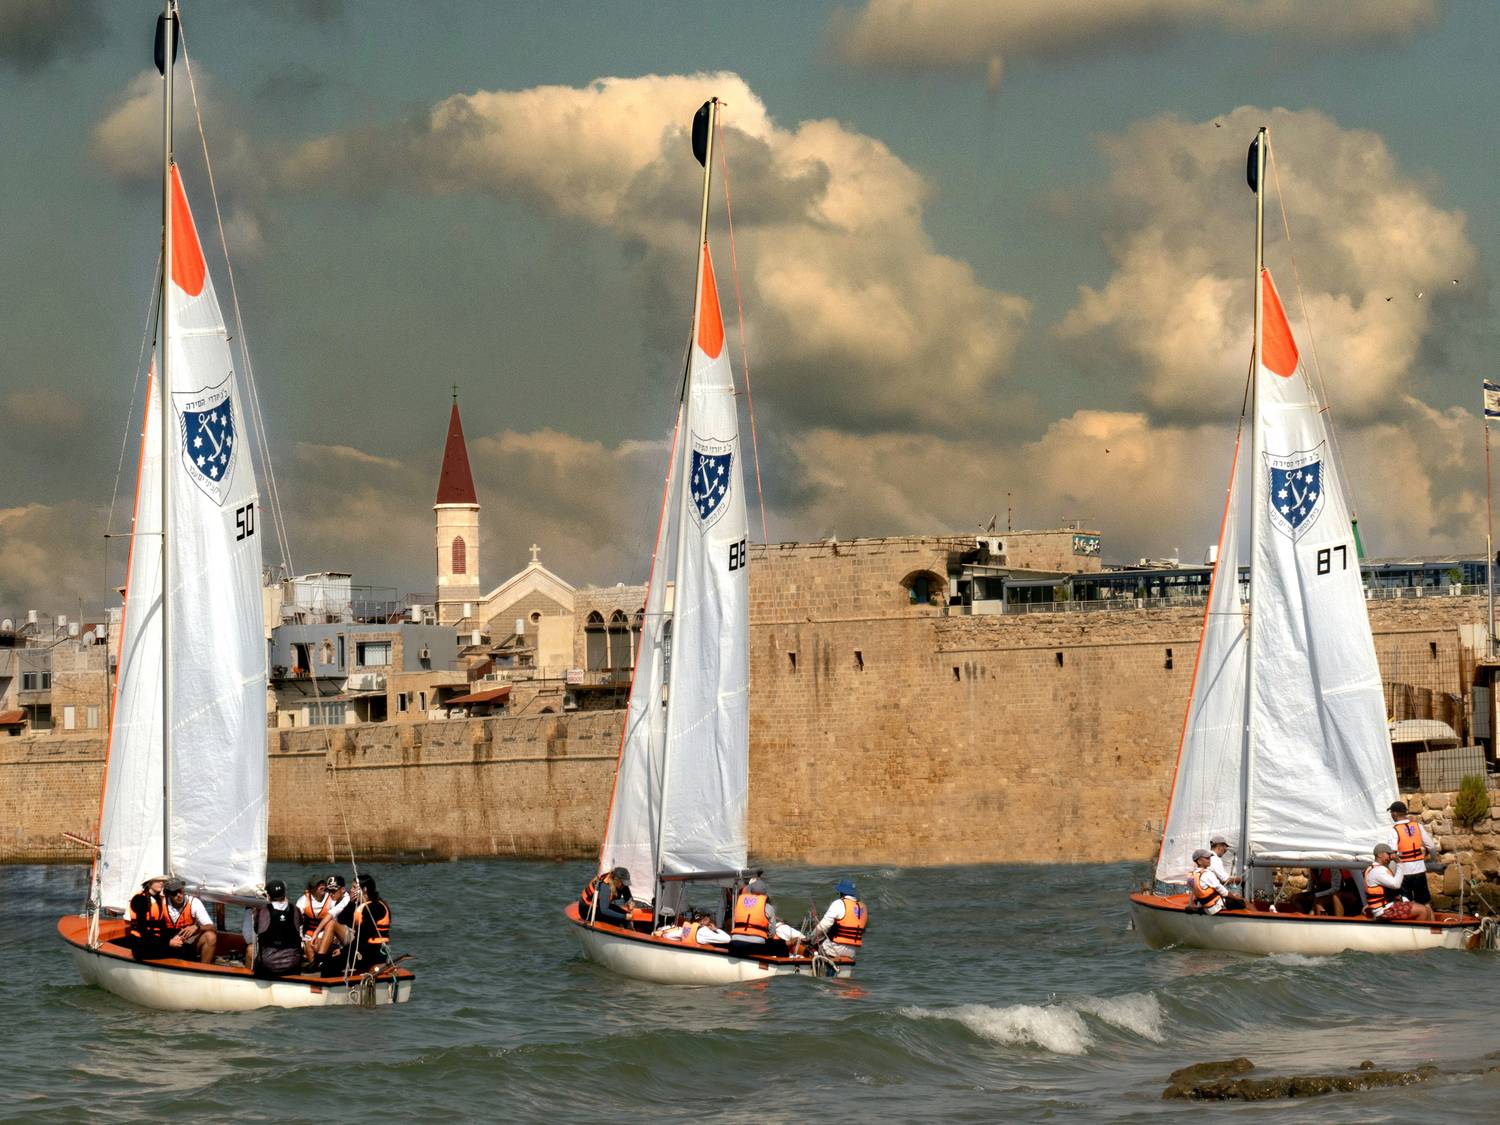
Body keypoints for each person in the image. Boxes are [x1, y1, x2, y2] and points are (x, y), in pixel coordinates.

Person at [244, 879, 304, 978]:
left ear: (268, 896)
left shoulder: (262, 911)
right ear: (284, 894)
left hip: (269, 965)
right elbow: (300, 922)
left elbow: (256, 929)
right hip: (293, 964)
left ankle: (249, 980)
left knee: (252, 952)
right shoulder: (295, 909)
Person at [1365, 843, 1434, 922]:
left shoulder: (1379, 869)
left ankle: (1428, 929)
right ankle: (1419, 930)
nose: (1391, 857)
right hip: (1383, 911)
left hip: (1388, 906)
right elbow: (1396, 885)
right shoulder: (1377, 871)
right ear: (1380, 855)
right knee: (1422, 911)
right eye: (1388, 854)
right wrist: (1399, 862)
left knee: (1427, 909)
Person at [1386, 801, 1437, 905]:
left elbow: (1393, 855)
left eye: (1391, 812)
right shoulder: (1418, 826)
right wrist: (1432, 861)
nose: (1391, 815)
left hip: (1405, 873)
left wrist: (1391, 872)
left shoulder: (1394, 830)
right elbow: (1431, 846)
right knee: (1424, 902)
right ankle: (1428, 915)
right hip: (1420, 870)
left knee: (1406, 905)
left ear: (1395, 813)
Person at [161, 877, 218, 963]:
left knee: (210, 936)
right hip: (168, 942)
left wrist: (197, 927)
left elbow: (212, 927)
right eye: (174, 893)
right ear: (168, 894)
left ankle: (203, 969)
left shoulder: (194, 903)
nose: (178, 895)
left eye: (180, 891)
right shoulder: (160, 903)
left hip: (188, 943)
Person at [809, 879, 868, 958]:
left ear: (841, 892)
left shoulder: (839, 903)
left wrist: (810, 938)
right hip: (853, 951)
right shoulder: (863, 907)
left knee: (812, 947)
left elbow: (824, 925)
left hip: (835, 949)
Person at [310, 874, 355, 972]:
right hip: (340, 934)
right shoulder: (334, 900)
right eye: (329, 891)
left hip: (352, 935)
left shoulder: (346, 899)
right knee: (314, 943)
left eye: (333, 891)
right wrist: (316, 937)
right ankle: (323, 962)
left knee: (330, 923)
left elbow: (330, 916)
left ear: (342, 889)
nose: (331, 894)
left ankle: (320, 960)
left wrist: (316, 932)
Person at [347, 874, 392, 973]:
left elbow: (363, 935)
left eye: (354, 887)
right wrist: (350, 903)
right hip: (364, 948)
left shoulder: (375, 907)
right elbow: (344, 921)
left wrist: (343, 951)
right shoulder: (360, 906)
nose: (351, 890)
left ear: (365, 889)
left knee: (330, 964)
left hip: (374, 951)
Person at [126, 876, 170, 961]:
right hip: (140, 942)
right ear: (149, 883)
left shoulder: (159, 899)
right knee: (174, 950)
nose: (161, 883)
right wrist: (167, 942)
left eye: (162, 881)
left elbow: (162, 924)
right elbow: (141, 926)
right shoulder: (140, 899)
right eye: (158, 881)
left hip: (154, 938)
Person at [295, 876, 331, 963]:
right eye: (318, 885)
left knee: (318, 944)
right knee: (308, 944)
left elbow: (335, 922)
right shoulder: (303, 901)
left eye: (322, 884)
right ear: (311, 889)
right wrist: (301, 940)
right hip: (307, 935)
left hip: (324, 934)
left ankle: (318, 964)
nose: (322, 886)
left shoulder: (331, 899)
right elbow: (297, 923)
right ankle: (315, 965)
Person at [1207, 836, 1247, 910]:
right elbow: (1225, 879)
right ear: (1219, 846)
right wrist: (1238, 879)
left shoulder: (1206, 857)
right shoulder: (1215, 859)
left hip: (1206, 895)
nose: (1226, 850)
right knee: (1243, 903)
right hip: (1212, 898)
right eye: (1225, 847)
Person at [1186, 851, 1229, 915]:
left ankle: (1200, 909)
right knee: (1240, 903)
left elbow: (1193, 890)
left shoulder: (1191, 875)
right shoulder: (1207, 874)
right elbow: (1222, 890)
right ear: (1199, 861)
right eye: (1207, 858)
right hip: (1213, 908)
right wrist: (1235, 897)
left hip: (1202, 904)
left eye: (1209, 858)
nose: (1209, 860)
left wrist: (1189, 904)